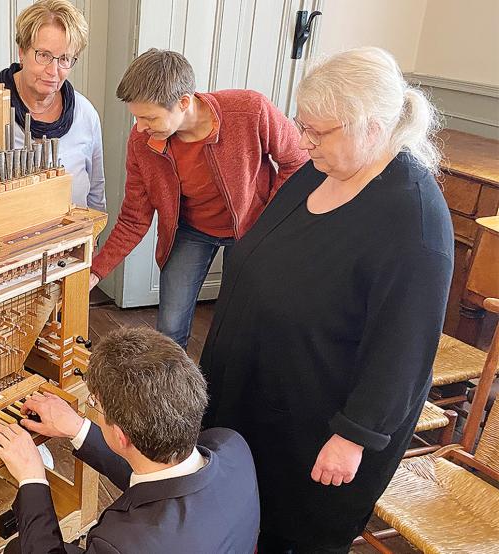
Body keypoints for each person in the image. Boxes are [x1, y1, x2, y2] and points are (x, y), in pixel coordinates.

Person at [200, 47, 453, 553]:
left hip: (318, 430)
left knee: (292, 535)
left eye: (320, 130)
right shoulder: (321, 170)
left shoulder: (414, 223)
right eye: (303, 125)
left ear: (372, 128)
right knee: (243, 514)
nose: (302, 140)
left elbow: (401, 356)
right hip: (261, 397)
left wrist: (353, 437)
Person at [89, 49, 308, 348]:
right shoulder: (141, 141)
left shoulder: (250, 109)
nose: (140, 127)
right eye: (137, 117)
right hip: (189, 232)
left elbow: (297, 160)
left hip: (251, 230)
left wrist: (270, 221)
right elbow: (134, 218)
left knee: (238, 324)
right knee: (169, 328)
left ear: (183, 102)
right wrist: (96, 270)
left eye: (149, 117)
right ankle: (170, 393)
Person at [0, 327, 259, 553]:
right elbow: (157, 475)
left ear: (121, 435)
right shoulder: (232, 446)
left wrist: (32, 477)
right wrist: (78, 428)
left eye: (95, 404)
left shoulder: (121, 543)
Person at [0, 0, 105, 212]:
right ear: (22, 52)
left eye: (64, 58)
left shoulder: (85, 114)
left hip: (71, 242)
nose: (53, 70)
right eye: (44, 55)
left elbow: (96, 193)